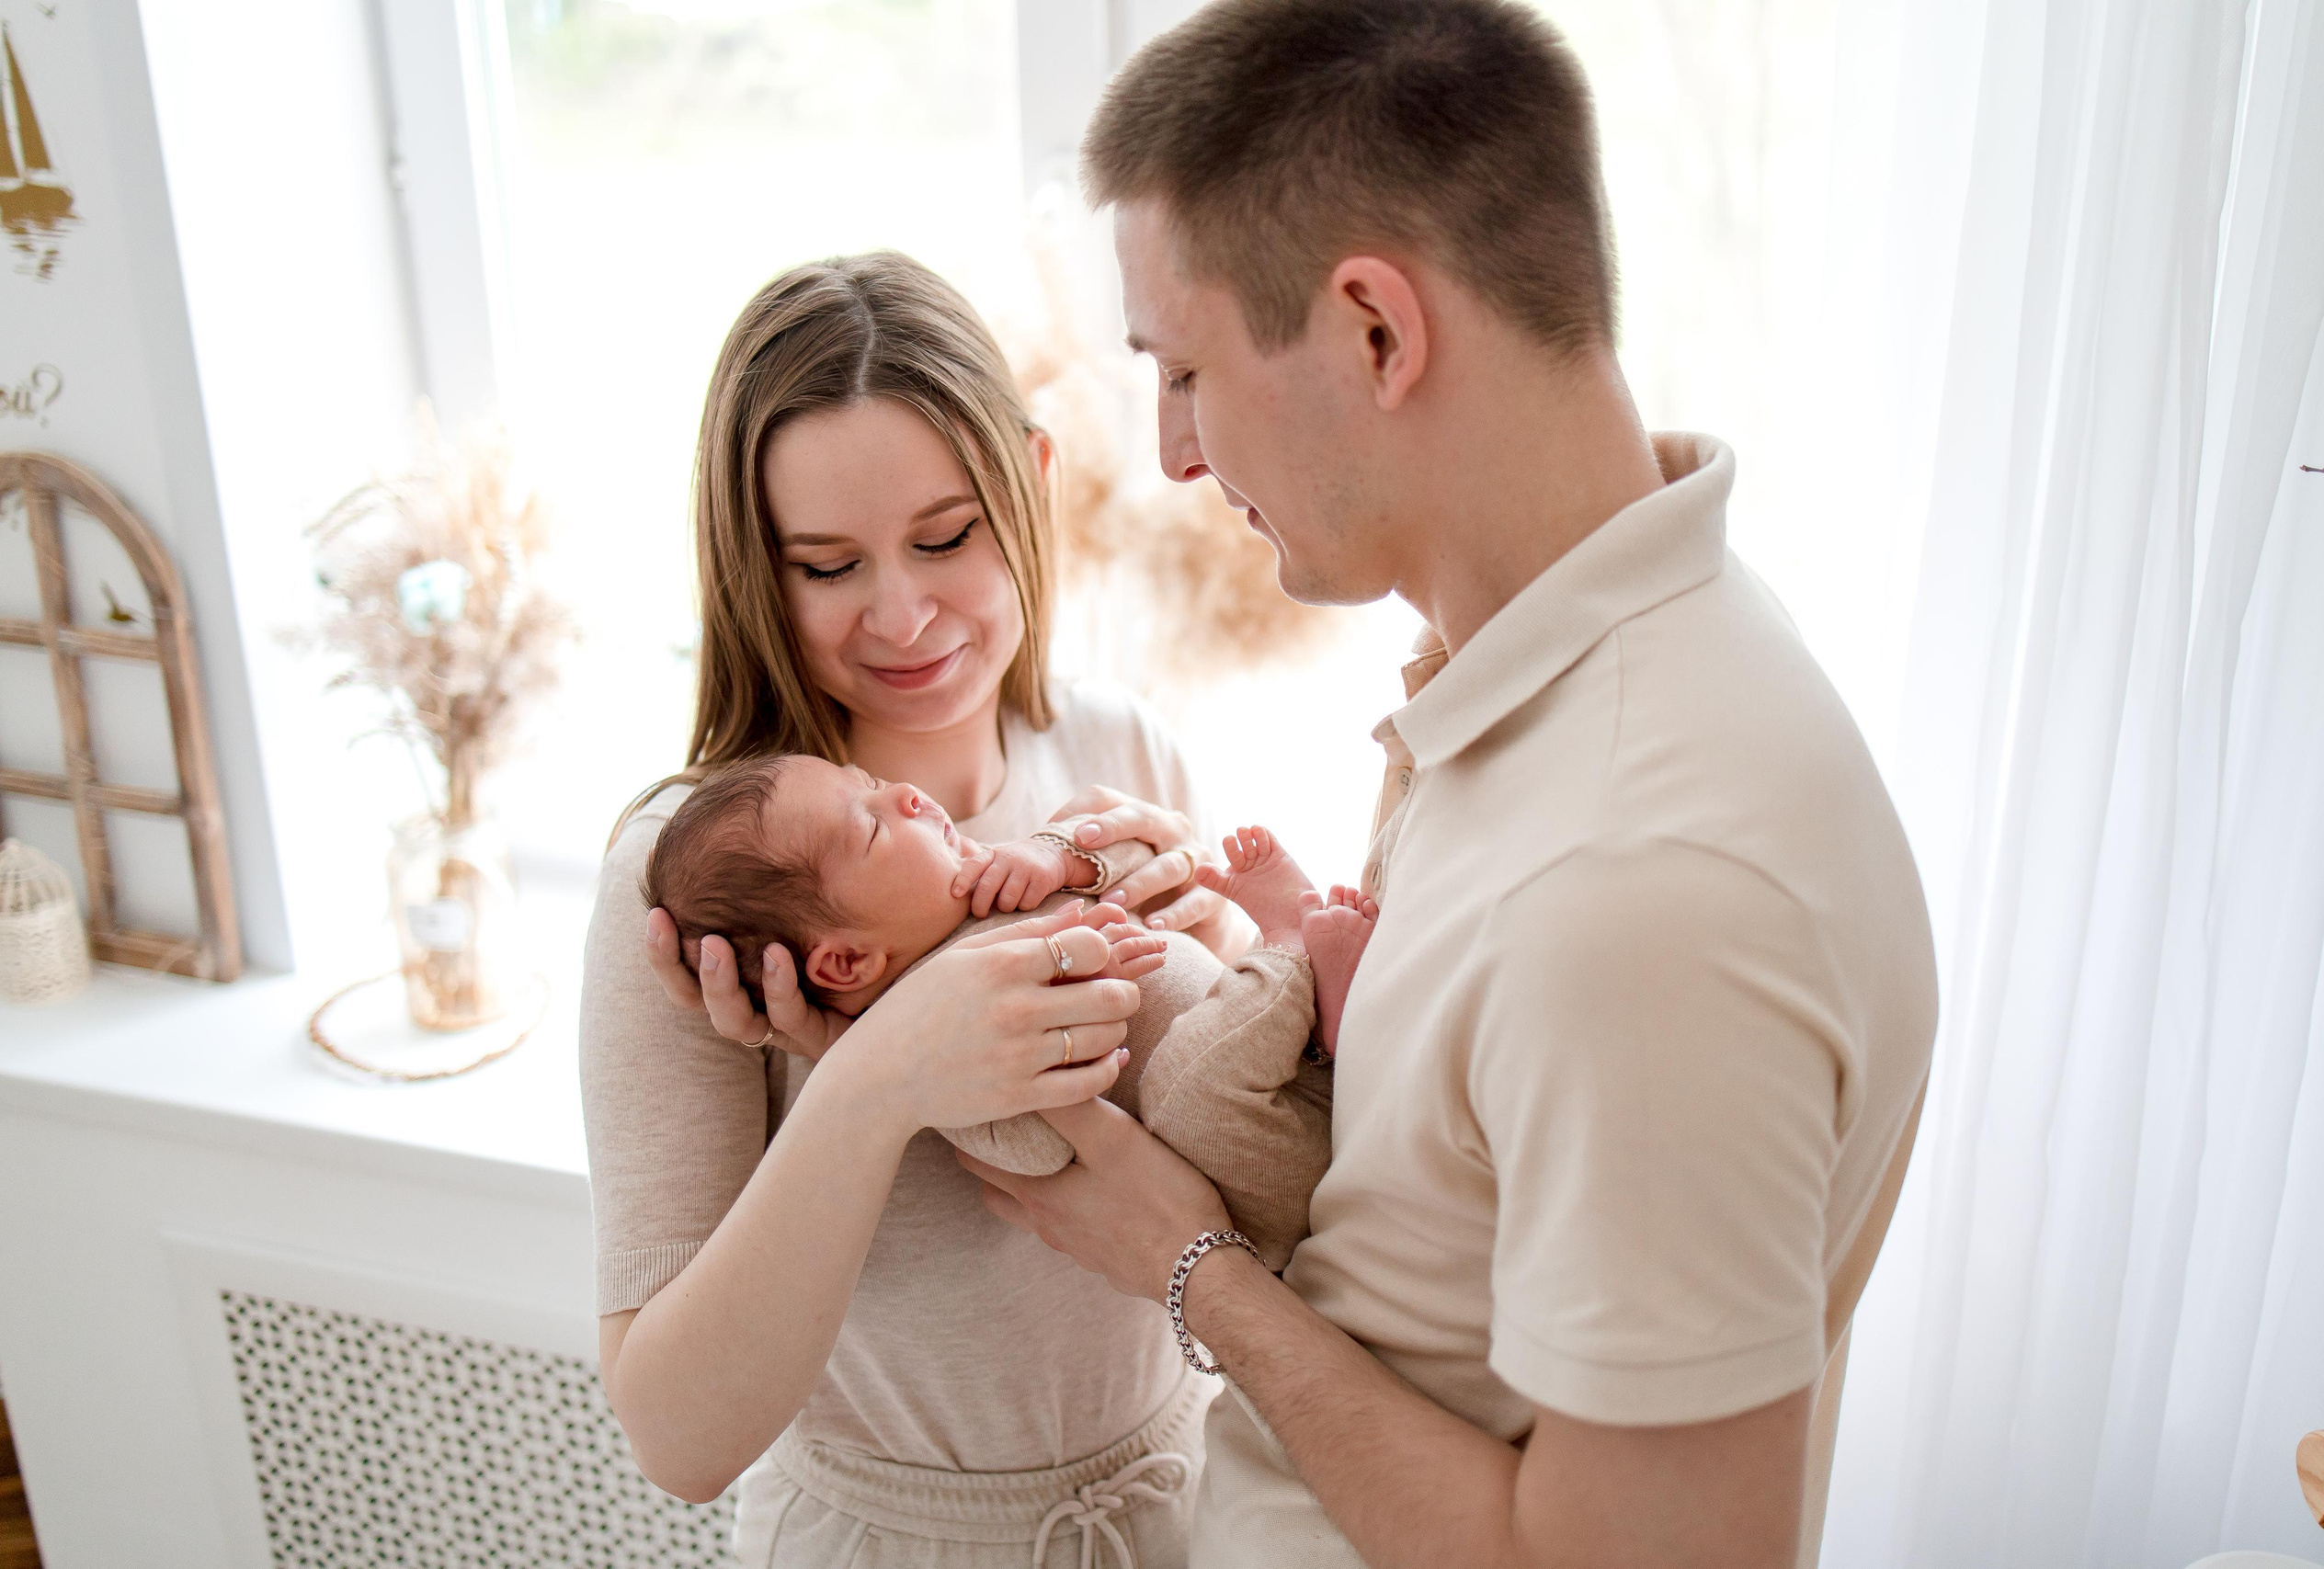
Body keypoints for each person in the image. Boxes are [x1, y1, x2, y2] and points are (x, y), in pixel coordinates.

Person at [960, 5, 1940, 1569]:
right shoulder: (1586, 677)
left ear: (1374, 331)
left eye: (1188, 369)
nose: (1174, 455)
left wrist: (1188, 1264)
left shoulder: (1644, 879)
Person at [581, 251, 1257, 1569]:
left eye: (945, 538)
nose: (903, 615)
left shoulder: (1125, 759)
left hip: (1190, 1506)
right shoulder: (699, 887)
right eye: (828, 565)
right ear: (753, 570)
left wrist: (1232, 944)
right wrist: (873, 1079)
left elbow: (1251, 1165)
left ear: (1032, 486)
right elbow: (677, 1435)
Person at [638, 748, 1377, 1268]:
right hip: (1261, 1171)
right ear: (847, 961)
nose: (907, 794)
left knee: (1229, 1038)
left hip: (1289, 1067)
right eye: (871, 824)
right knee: (1183, 1089)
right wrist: (1082, 1004)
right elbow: (1038, 1148)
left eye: (871, 781)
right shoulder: (934, 1042)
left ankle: (1318, 993)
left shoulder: (987, 877)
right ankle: (1292, 952)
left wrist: (1061, 854)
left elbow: (1126, 869)